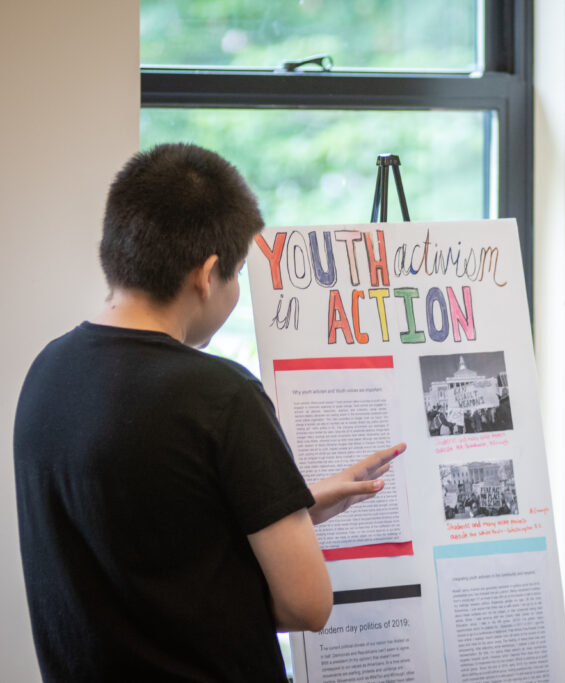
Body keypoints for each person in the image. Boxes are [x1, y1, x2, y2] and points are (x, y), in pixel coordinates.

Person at [13, 143, 406, 682]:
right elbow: (307, 605)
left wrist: (290, 507)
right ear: (208, 273)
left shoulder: (47, 372)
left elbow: (147, 547)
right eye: (239, 271)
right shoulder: (221, 394)